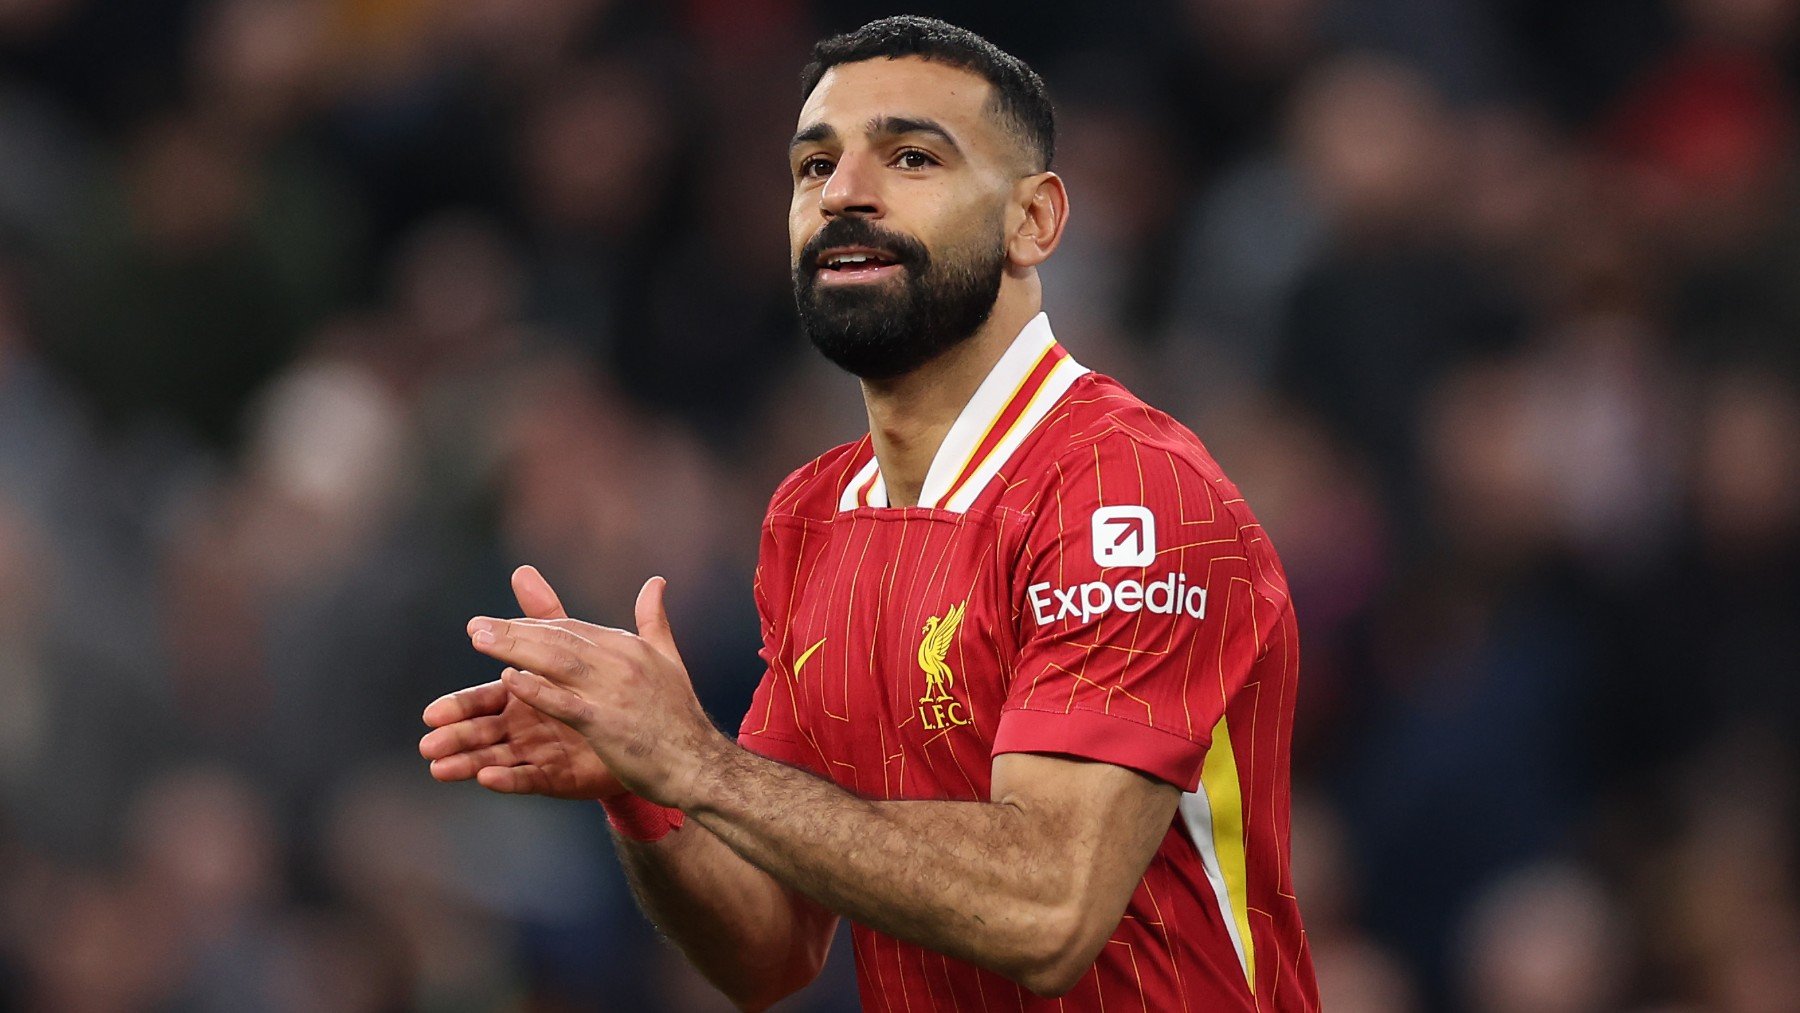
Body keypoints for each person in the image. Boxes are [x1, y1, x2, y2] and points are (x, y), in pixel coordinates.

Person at [420, 16, 1318, 1011]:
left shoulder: (1129, 491)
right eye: (813, 166)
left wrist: (699, 763)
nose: (843, 191)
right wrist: (644, 787)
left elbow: (1051, 906)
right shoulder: (814, 514)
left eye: (913, 156)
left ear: (1034, 221)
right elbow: (770, 946)